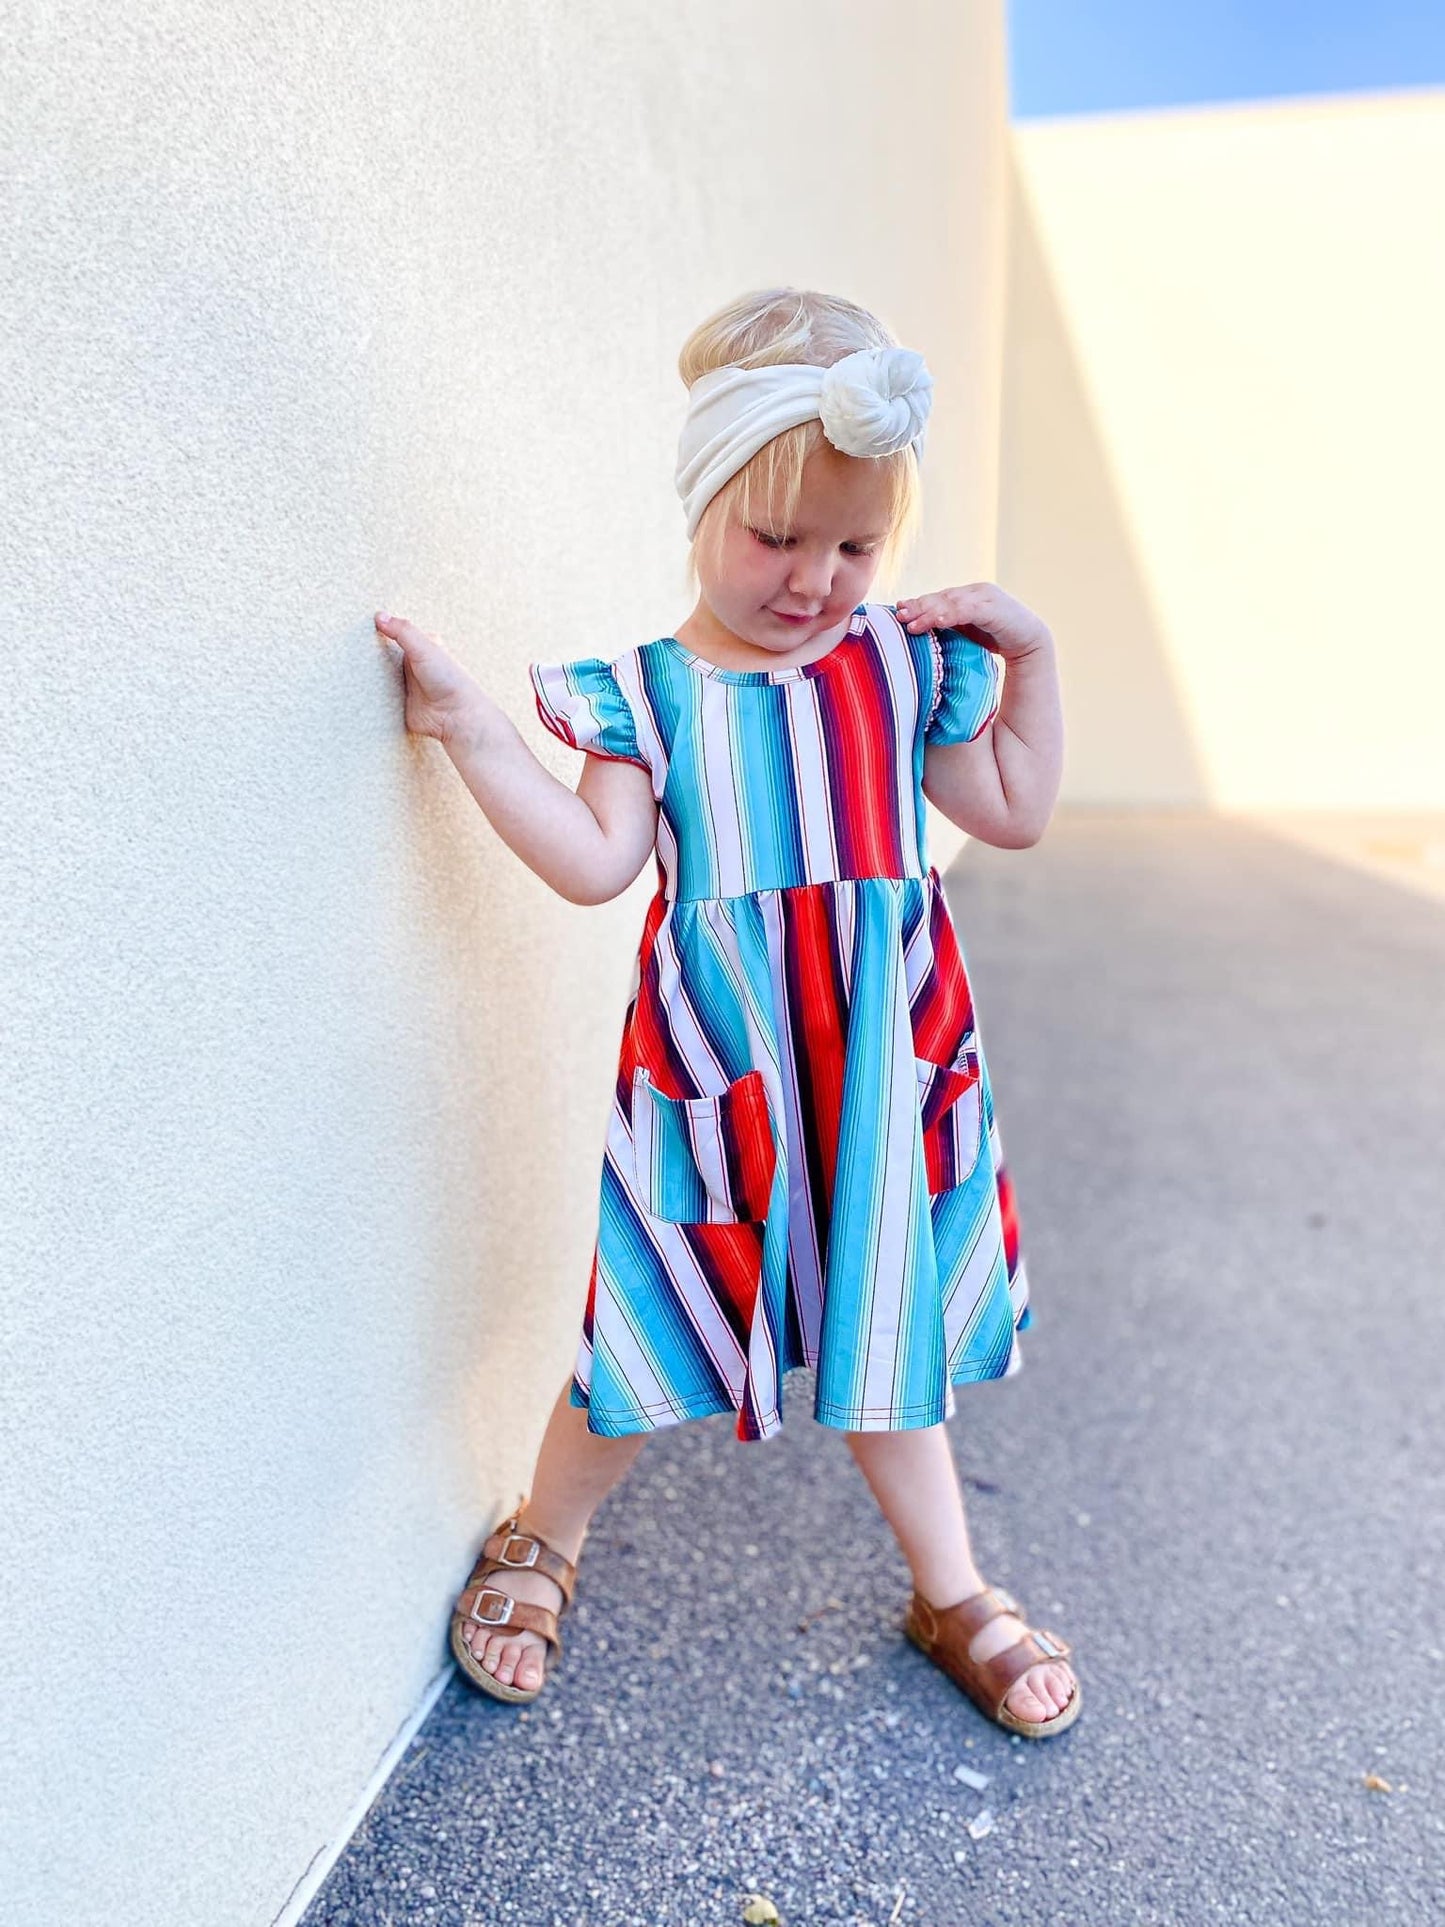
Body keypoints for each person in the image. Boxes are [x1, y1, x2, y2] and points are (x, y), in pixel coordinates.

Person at [373, 286, 1076, 1739]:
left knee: (888, 1323)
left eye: (854, 545)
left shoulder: (904, 666)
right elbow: (590, 864)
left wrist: (1034, 659)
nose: (815, 578)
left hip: (883, 1067)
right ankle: (543, 1537)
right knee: (652, 1308)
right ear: (699, 505)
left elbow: (1009, 809)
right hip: (724, 1074)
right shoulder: (647, 696)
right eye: (775, 537)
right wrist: (471, 730)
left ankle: (946, 1587)